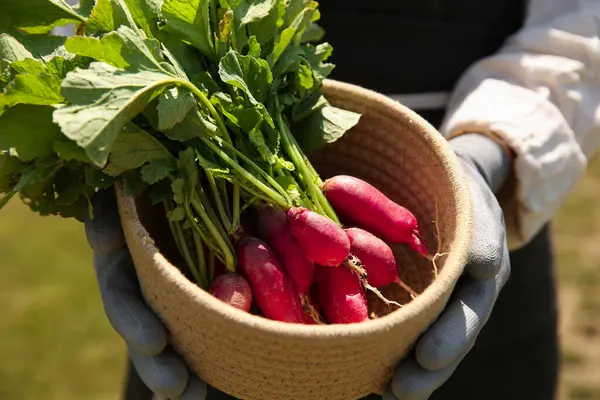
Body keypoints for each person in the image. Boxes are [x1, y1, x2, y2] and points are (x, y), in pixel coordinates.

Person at [84, 0, 600, 399]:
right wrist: (121, 200)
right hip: (202, 324)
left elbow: (580, 26)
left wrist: (488, 150)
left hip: (479, 206)